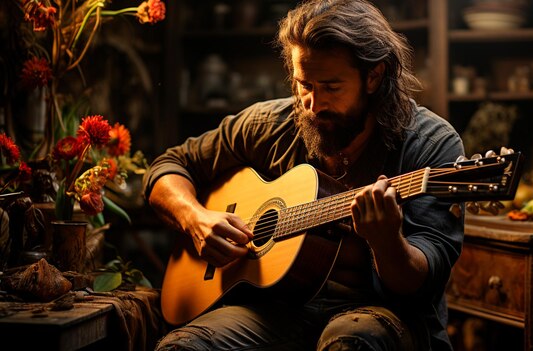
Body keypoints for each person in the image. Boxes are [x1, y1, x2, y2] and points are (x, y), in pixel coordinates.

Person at [143, 0, 465, 349]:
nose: (312, 104)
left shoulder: (431, 146)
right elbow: (169, 166)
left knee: (351, 344)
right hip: (272, 310)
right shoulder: (270, 124)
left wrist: (386, 241)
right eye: (304, 84)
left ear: (374, 76)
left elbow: (421, 282)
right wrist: (196, 219)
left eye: (331, 87)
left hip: (380, 312)